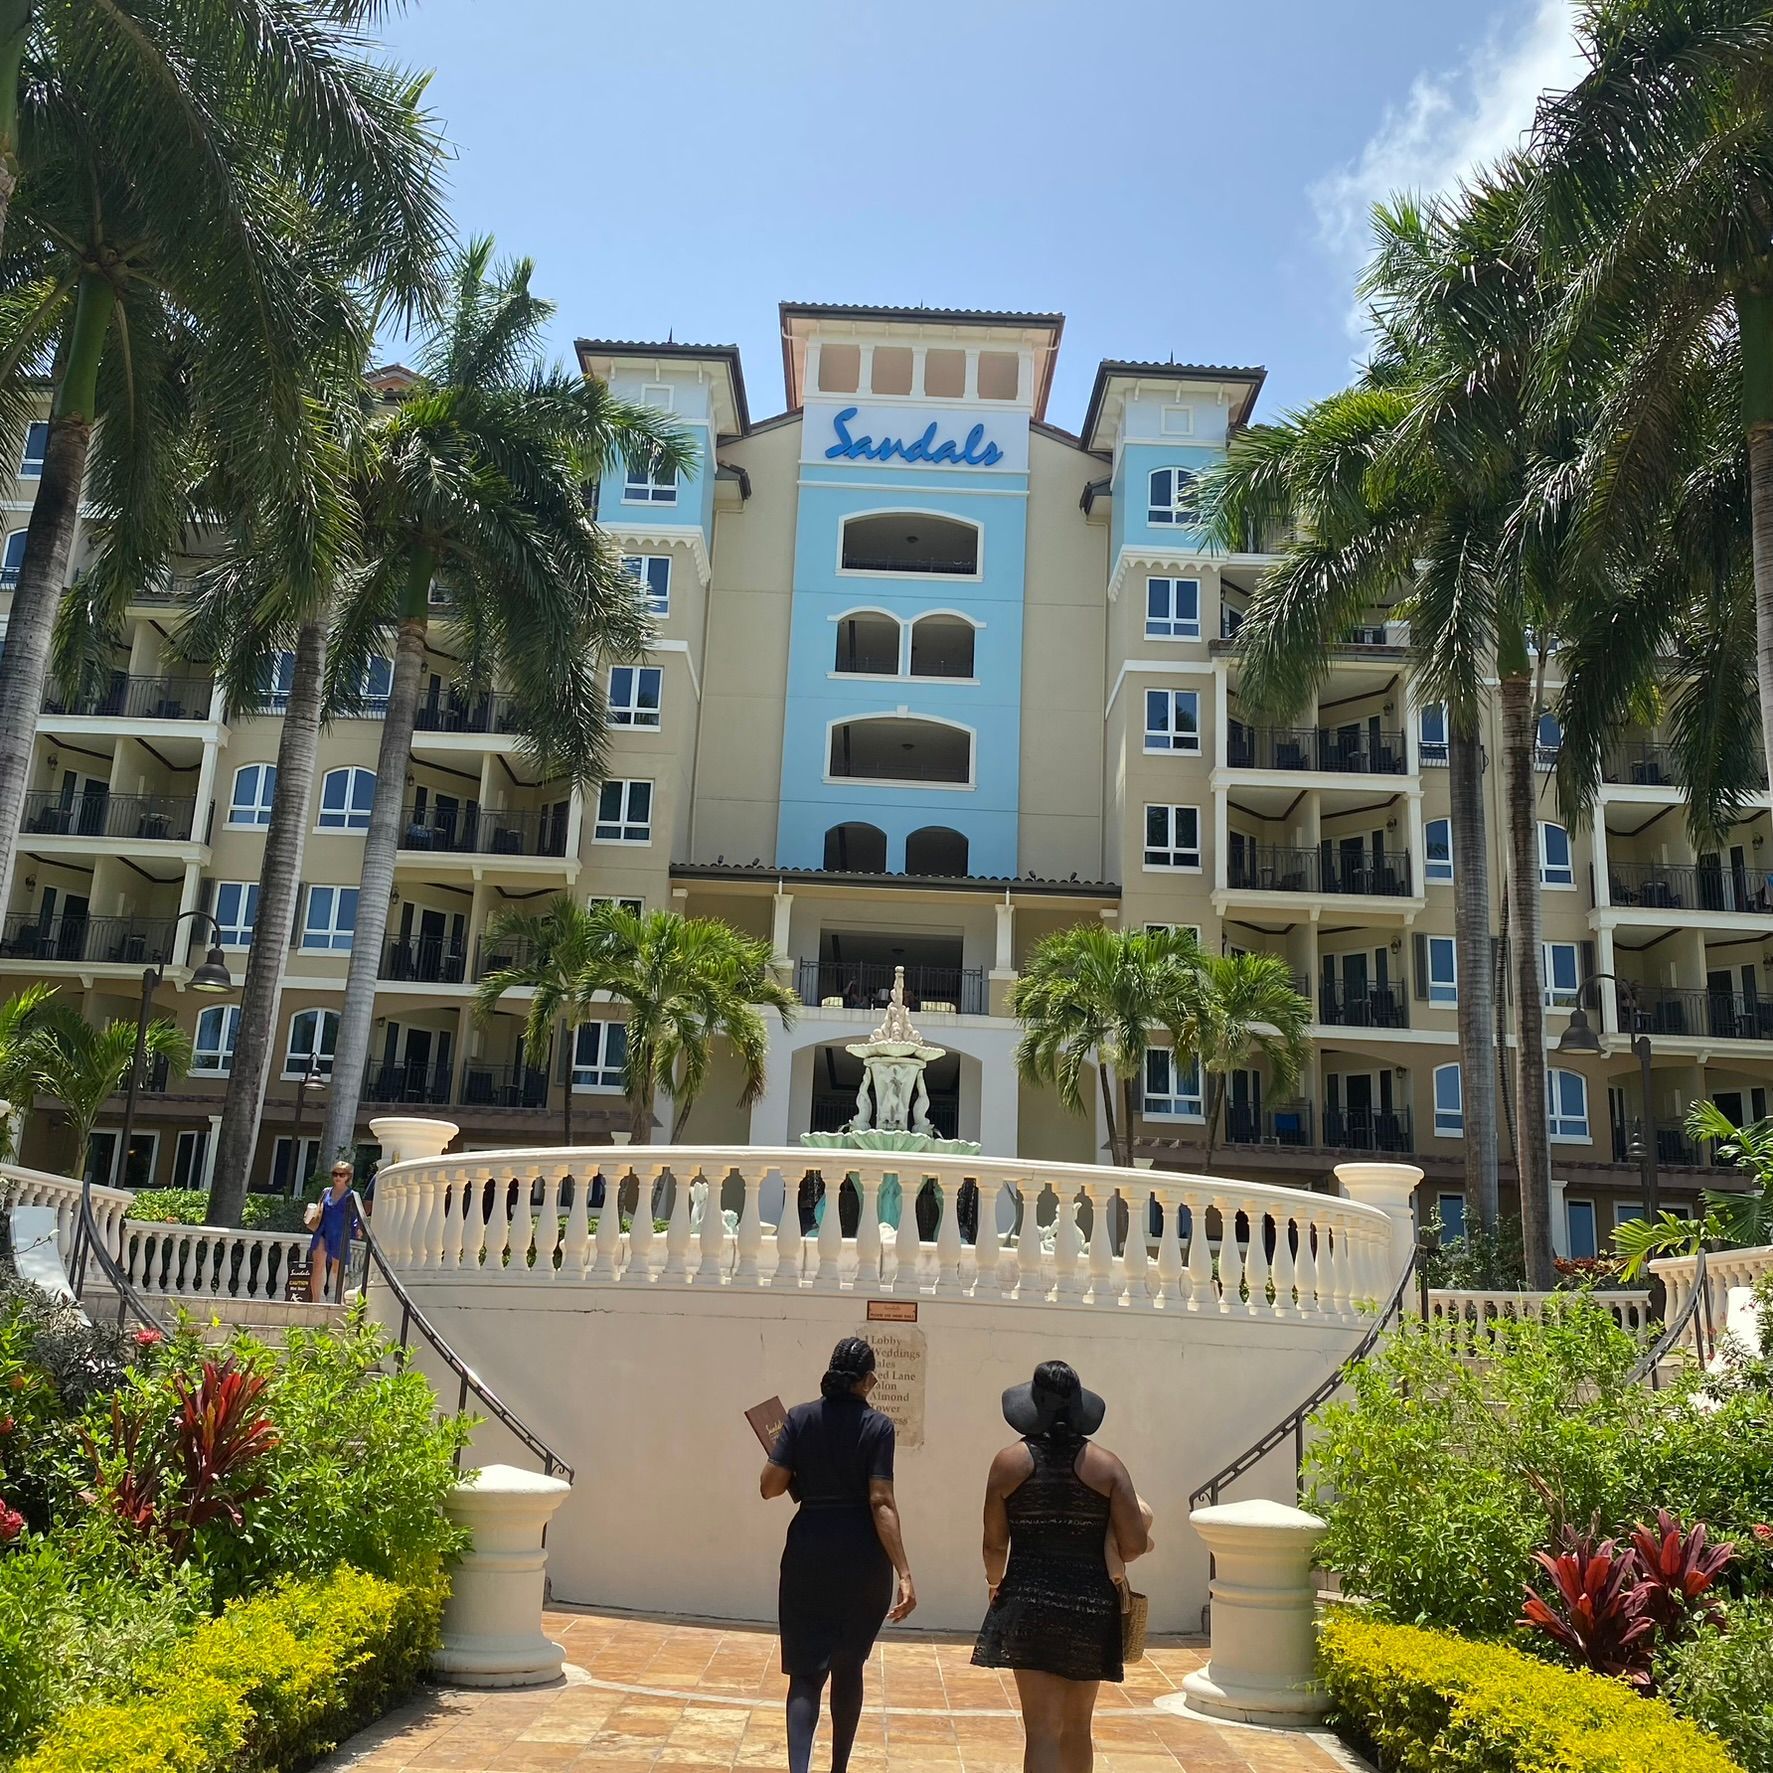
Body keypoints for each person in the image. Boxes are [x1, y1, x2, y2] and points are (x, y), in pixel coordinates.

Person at [972, 1361, 1152, 1773]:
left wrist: (994, 1582)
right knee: (1077, 1727)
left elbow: (994, 1542)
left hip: (1028, 1600)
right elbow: (1134, 1545)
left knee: (1040, 1731)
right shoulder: (1107, 1466)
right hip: (1089, 1605)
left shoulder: (1008, 1463)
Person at [761, 1337, 916, 1773]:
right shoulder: (878, 1426)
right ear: (868, 1381)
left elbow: (769, 1487)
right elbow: (881, 1500)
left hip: (808, 1550)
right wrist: (904, 1572)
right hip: (863, 1558)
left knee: (806, 1675)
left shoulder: (799, 1418)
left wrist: (786, 1453)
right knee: (849, 1669)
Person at [307, 1160, 362, 1302]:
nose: (338, 1177)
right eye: (335, 1174)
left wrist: (358, 1229)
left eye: (342, 1174)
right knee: (318, 1264)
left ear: (348, 1177)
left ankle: (339, 1300)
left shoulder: (352, 1195)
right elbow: (319, 1209)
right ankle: (315, 1301)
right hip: (322, 1230)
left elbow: (356, 1216)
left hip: (339, 1233)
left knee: (338, 1269)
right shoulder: (326, 1192)